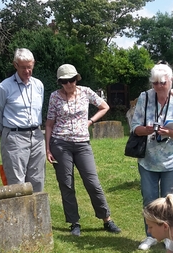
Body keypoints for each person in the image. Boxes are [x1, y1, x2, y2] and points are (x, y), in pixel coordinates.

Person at [45, 64, 121, 236]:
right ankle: (74, 223)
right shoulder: (55, 97)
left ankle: (106, 219)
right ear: (60, 82)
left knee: (92, 182)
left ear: (76, 79)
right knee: (66, 183)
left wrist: (90, 121)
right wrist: (48, 148)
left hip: (82, 144)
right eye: (65, 81)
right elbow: (49, 124)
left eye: (72, 80)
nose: (69, 84)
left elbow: (105, 106)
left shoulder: (86, 92)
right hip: (60, 143)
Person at [131, 63, 173, 251]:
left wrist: (170, 132)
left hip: (172, 160)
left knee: (170, 201)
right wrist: (146, 129)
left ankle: (170, 237)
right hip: (148, 159)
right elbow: (135, 126)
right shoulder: (145, 98)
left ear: (171, 81)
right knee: (149, 199)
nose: (158, 87)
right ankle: (150, 236)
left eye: (162, 83)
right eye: (155, 83)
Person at [0, 48, 45, 192]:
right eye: (23, 67)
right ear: (15, 65)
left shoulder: (39, 85)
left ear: (33, 64)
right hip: (14, 136)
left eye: (30, 67)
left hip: (36, 135)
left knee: (37, 179)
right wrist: (7, 132)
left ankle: (35, 213)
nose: (27, 71)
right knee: (16, 182)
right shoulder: (4, 87)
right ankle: (18, 214)